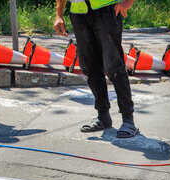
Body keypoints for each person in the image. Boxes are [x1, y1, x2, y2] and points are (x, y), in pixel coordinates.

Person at [54, 0, 139, 138]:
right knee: (90, 66)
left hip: (106, 11)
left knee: (114, 67)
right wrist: (59, 14)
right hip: (79, 14)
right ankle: (103, 116)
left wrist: (127, 2)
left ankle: (128, 120)